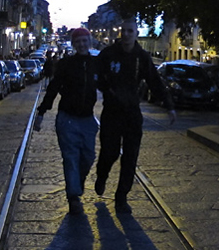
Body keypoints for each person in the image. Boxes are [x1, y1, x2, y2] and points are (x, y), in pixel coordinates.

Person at [95, 17, 177, 214]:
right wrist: (107, 89)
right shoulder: (108, 54)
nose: (126, 34)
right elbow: (96, 76)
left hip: (132, 113)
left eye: (130, 31)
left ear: (136, 33)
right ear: (120, 32)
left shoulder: (142, 57)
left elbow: (154, 82)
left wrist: (169, 106)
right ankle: (102, 175)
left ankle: (121, 197)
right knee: (110, 152)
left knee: (130, 156)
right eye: (124, 30)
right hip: (112, 112)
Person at [33, 28, 99, 215]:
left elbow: (106, 85)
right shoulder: (66, 64)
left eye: (85, 40)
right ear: (73, 44)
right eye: (78, 41)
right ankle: (73, 198)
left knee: (88, 158)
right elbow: (53, 88)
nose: (82, 44)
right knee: (70, 158)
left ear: (89, 41)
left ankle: (76, 184)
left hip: (87, 120)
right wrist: (41, 112)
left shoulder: (95, 63)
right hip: (67, 119)